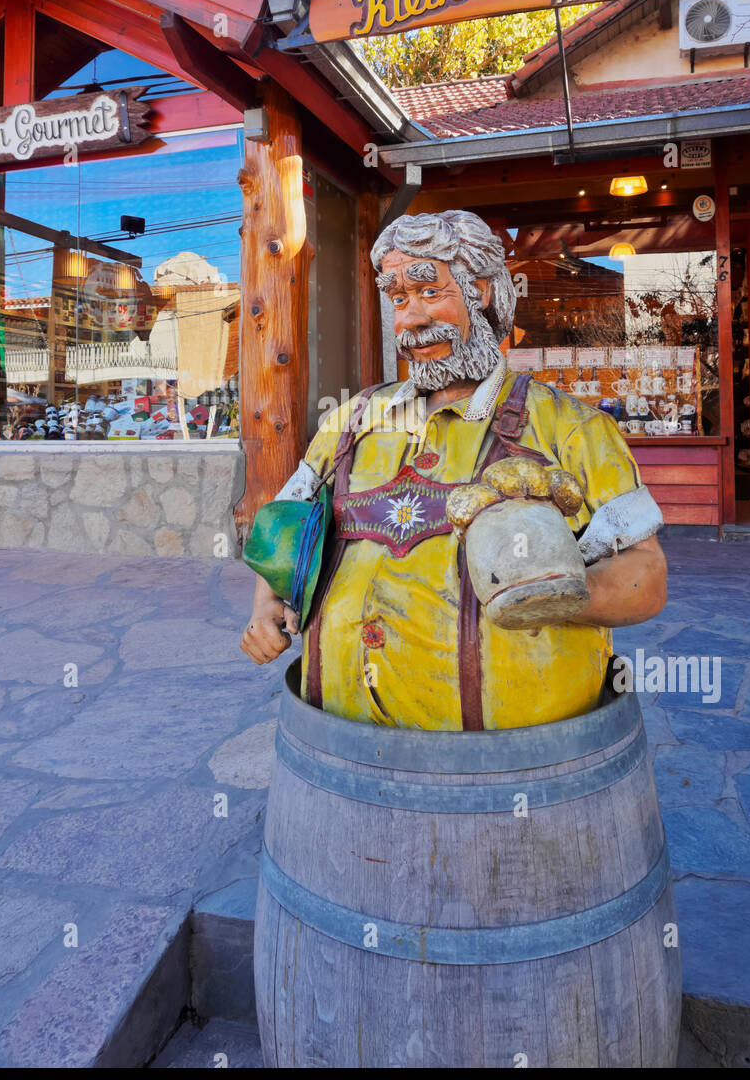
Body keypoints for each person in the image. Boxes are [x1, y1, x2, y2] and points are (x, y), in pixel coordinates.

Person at [241, 210, 667, 730]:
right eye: (398, 300)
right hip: (339, 741)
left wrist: (555, 595)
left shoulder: (571, 427)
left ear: (481, 292)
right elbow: (286, 525)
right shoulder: (351, 422)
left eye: (429, 293)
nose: (411, 319)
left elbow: (647, 577)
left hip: (516, 761)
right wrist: (266, 604)